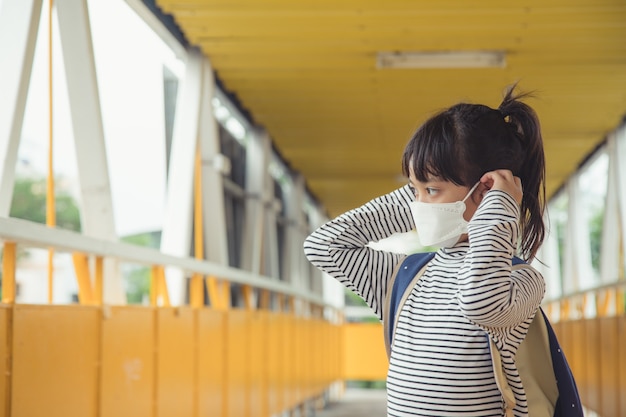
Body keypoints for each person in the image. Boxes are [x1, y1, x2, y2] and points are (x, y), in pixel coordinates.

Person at [303, 85, 547, 417]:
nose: (419, 204)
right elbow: (324, 245)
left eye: (431, 190)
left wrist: (500, 208)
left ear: (487, 191)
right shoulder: (402, 277)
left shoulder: (522, 282)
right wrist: (418, 196)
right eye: (413, 191)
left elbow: (480, 302)